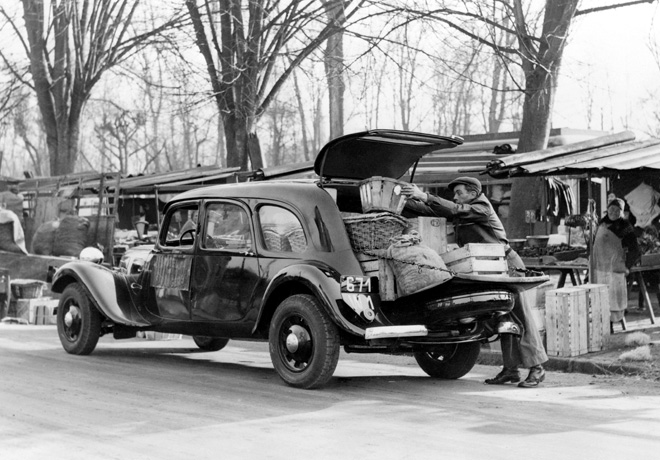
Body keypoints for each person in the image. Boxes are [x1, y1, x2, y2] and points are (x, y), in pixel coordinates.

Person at [401, 176, 548, 388]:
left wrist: (424, 195)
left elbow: (454, 209)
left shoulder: (482, 208)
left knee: (520, 316)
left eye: (459, 193)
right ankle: (511, 369)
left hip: (506, 264)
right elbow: (432, 210)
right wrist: (404, 200)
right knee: (503, 316)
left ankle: (537, 367)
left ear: (473, 193)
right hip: (487, 266)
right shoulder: (462, 211)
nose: (455, 197)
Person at [592, 198, 641, 327]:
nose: (613, 212)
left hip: (615, 268)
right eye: (612, 209)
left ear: (622, 212)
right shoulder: (601, 223)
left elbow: (635, 249)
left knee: (613, 300)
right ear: (607, 209)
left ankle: (611, 326)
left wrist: (627, 266)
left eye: (617, 210)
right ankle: (602, 326)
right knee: (600, 298)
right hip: (599, 268)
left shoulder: (625, 227)